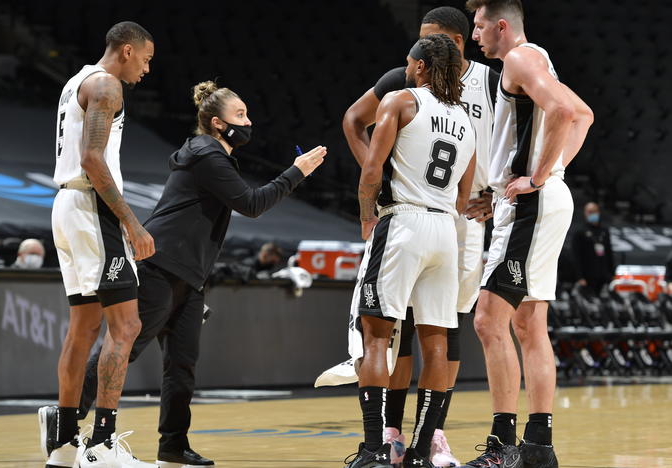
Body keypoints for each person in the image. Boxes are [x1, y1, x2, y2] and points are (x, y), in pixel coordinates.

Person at [74, 81, 326, 466]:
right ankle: (68, 421)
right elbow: (252, 204)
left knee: (182, 365)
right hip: (160, 265)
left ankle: (172, 446)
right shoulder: (207, 153)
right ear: (215, 122)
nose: (248, 121)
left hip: (189, 275)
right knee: (122, 351)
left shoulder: (214, 156)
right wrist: (297, 171)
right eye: (239, 115)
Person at [341, 7, 497, 466]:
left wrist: (368, 216)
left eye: (411, 64)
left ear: (422, 67)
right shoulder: (465, 122)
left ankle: (373, 450)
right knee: (437, 343)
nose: (405, 70)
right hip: (447, 230)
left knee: (376, 336)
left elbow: (371, 173)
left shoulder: (402, 101)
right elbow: (465, 193)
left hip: (403, 221)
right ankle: (425, 448)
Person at [461, 1, 594, 467]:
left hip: (532, 205)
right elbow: (584, 114)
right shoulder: (534, 59)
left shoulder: (519, 57)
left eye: (478, 26)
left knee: (487, 320)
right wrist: (539, 176)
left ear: (501, 25)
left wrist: (536, 179)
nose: (474, 36)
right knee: (527, 325)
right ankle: (538, 447)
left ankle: (502, 448)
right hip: (533, 201)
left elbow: (563, 110)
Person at [38, 21, 156, 468]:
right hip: (92, 209)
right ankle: (103, 445)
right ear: (126, 50)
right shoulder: (107, 85)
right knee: (126, 327)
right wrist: (131, 221)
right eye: (145, 58)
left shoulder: (77, 80)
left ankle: (66, 446)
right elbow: (92, 158)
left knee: (84, 327)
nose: (147, 68)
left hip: (66, 206)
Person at [571, 202, 615, 294]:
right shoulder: (580, 232)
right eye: (590, 212)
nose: (592, 214)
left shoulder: (604, 231)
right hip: (587, 276)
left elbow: (609, 252)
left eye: (594, 211)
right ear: (585, 213)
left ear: (598, 212)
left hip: (603, 275)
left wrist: (612, 273)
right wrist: (579, 277)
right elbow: (576, 256)